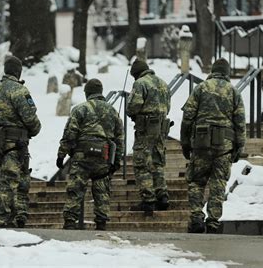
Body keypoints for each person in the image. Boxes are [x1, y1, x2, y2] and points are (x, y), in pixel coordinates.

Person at [180, 58, 246, 234]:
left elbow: (188, 116)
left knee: (196, 181)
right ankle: (213, 222)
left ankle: (196, 218)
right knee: (218, 183)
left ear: (213, 70)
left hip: (201, 143)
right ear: (227, 72)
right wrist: (239, 147)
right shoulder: (234, 92)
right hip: (224, 146)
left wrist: (185, 142)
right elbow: (240, 122)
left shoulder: (200, 88)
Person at [0, 53, 41, 228]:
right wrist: (36, 129)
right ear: (18, 72)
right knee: (12, 182)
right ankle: (2, 219)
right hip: (16, 144)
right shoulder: (19, 91)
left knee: (0, 180)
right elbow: (31, 119)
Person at [57, 79, 124, 230]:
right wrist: (116, 160)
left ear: (87, 93)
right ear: (101, 92)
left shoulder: (80, 109)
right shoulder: (113, 111)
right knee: (101, 191)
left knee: (76, 189)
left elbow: (70, 134)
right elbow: (119, 139)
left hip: (82, 158)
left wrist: (61, 154)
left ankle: (70, 222)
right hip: (103, 157)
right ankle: (101, 223)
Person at [126, 60, 171, 214]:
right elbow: (168, 107)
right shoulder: (163, 84)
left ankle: (148, 200)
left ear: (136, 74)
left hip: (145, 130)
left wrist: (131, 112)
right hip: (161, 129)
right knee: (157, 162)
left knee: (142, 164)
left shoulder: (140, 83)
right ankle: (162, 195)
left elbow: (134, 105)